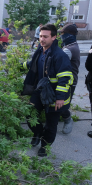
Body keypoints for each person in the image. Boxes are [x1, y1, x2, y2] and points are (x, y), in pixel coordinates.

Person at [21, 24, 73, 157]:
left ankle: (45, 146)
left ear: (54, 37)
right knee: (30, 113)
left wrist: (60, 97)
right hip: (40, 90)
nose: (42, 39)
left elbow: (65, 78)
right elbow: (34, 63)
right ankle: (38, 132)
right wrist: (21, 65)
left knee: (51, 123)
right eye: (40, 36)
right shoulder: (40, 49)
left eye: (45, 36)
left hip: (55, 94)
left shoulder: (59, 55)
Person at [59, 24, 80, 134]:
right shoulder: (72, 45)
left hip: (68, 82)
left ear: (69, 35)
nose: (61, 36)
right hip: (69, 80)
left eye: (62, 34)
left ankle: (68, 120)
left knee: (62, 105)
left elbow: (58, 65)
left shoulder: (69, 49)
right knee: (59, 103)